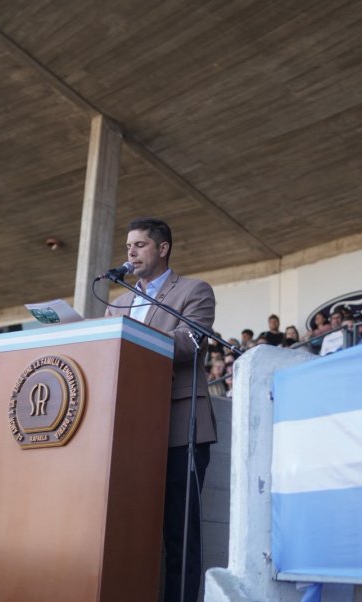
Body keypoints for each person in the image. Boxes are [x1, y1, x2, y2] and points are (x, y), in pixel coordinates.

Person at [104, 217, 217, 602]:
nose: (130, 252)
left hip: (179, 428)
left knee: (179, 534)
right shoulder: (116, 302)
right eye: (127, 246)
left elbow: (190, 343)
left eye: (138, 245)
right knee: (128, 531)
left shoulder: (193, 291)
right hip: (127, 432)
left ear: (162, 248)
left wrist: (133, 337)